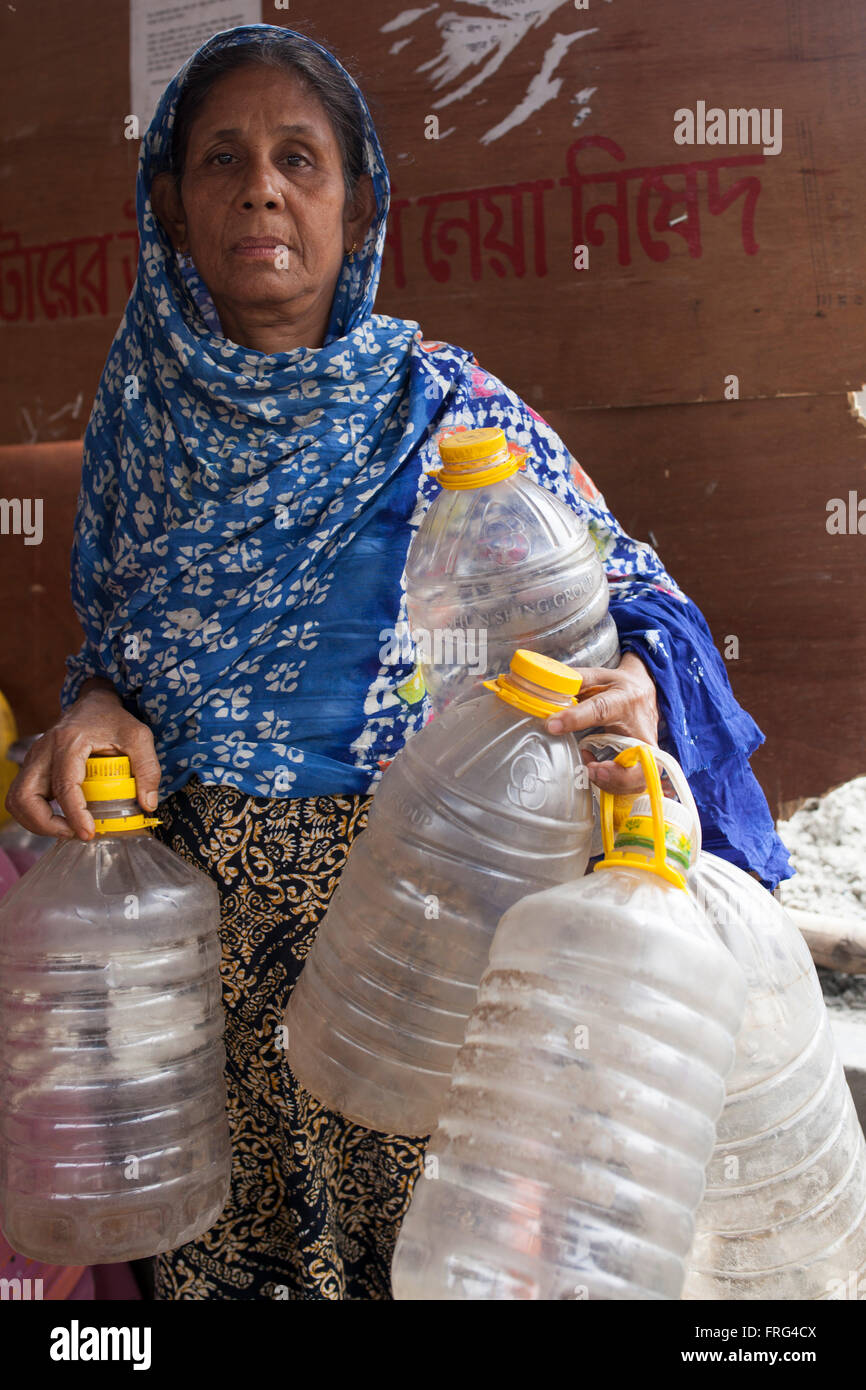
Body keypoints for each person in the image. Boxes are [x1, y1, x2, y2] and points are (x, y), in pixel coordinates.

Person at [7, 23, 792, 1300]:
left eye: (299, 160)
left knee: (432, 1259)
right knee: (215, 1254)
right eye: (222, 159)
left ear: (359, 202)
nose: (260, 187)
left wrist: (639, 679)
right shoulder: (135, 421)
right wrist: (91, 703)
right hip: (194, 957)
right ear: (170, 200)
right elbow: (117, 654)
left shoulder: (446, 407)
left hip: (418, 937)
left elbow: (634, 595)